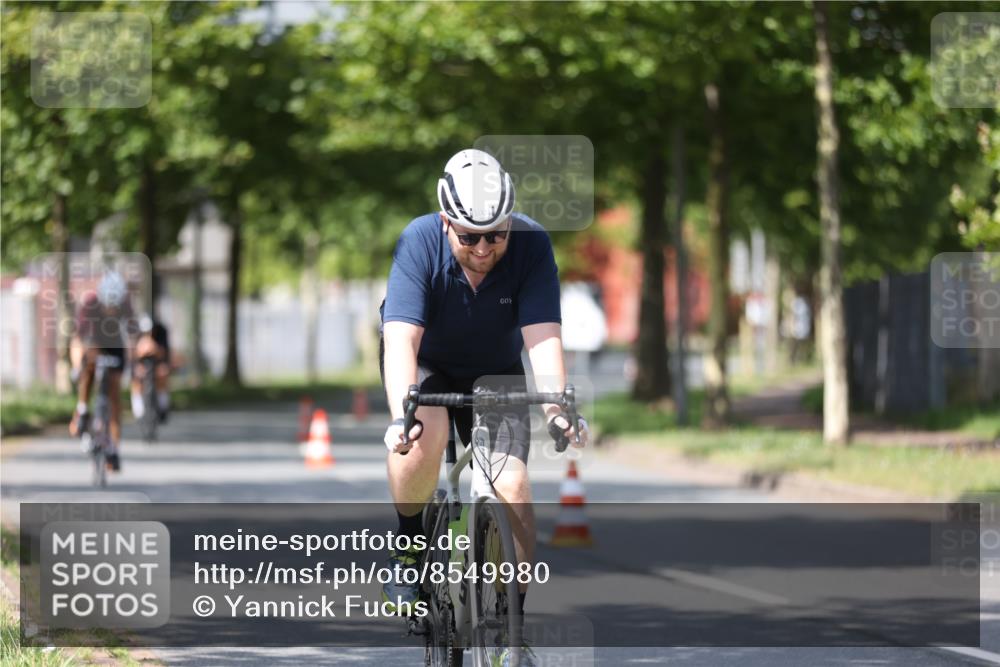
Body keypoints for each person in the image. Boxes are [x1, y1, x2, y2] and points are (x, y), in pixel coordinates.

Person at [379, 149, 589, 662]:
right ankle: (409, 551)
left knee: (512, 483)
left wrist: (557, 410)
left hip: (495, 374)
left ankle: (510, 622)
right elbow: (401, 341)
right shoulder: (419, 241)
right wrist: (399, 420)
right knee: (421, 441)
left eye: (495, 235)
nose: (482, 247)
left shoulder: (532, 245)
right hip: (427, 366)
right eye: (469, 236)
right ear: (446, 222)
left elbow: (542, 338)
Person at [69, 271, 137, 471]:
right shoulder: (90, 303)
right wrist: (77, 366)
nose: (110, 309)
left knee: (115, 394)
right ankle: (82, 409)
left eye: (113, 306)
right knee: (88, 363)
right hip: (94, 341)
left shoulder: (125, 304)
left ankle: (114, 447)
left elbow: (133, 335)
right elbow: (78, 339)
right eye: (107, 305)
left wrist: (134, 362)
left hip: (115, 345)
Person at [130, 315, 172, 424]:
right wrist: (136, 367)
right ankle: (138, 412)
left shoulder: (162, 332)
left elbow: (166, 353)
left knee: (162, 379)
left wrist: (163, 365)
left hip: (157, 362)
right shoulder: (136, 335)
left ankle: (163, 408)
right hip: (141, 363)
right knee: (136, 383)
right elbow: (132, 357)